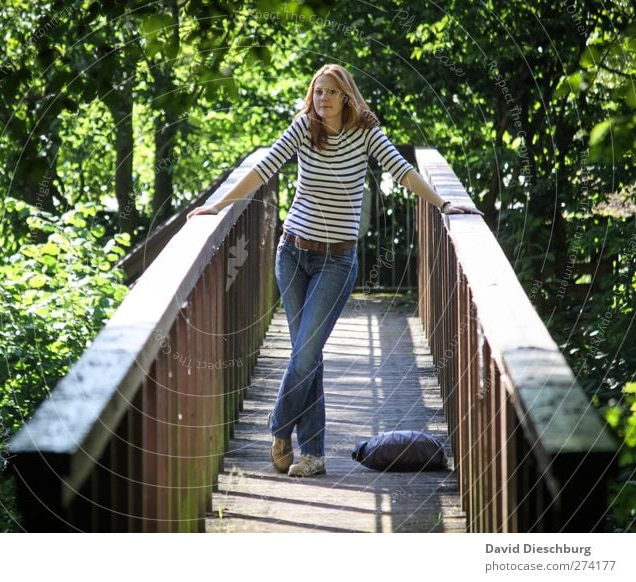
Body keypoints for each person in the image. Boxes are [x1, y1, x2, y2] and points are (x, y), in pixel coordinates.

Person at [187, 64, 481, 477]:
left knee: (305, 353)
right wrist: (219, 205)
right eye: (317, 91)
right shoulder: (303, 128)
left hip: (337, 260)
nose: (321, 98)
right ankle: (313, 454)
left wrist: (443, 203)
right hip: (291, 254)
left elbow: (402, 171)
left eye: (330, 92)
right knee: (306, 355)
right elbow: (263, 168)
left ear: (346, 96)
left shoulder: (366, 134)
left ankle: (279, 427)